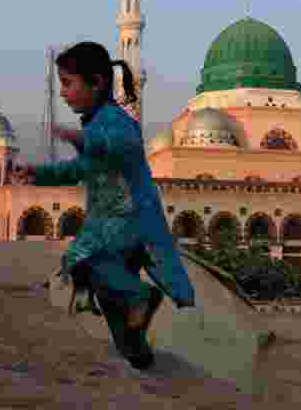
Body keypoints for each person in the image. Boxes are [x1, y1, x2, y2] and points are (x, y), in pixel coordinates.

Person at [12, 41, 196, 370]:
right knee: (111, 298)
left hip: (129, 217)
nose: (64, 93)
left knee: (85, 260)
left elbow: (118, 145)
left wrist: (81, 139)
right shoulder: (97, 122)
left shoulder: (115, 120)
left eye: (69, 84)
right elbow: (81, 169)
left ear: (97, 82)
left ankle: (141, 297)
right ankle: (136, 352)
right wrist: (39, 173)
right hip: (113, 219)